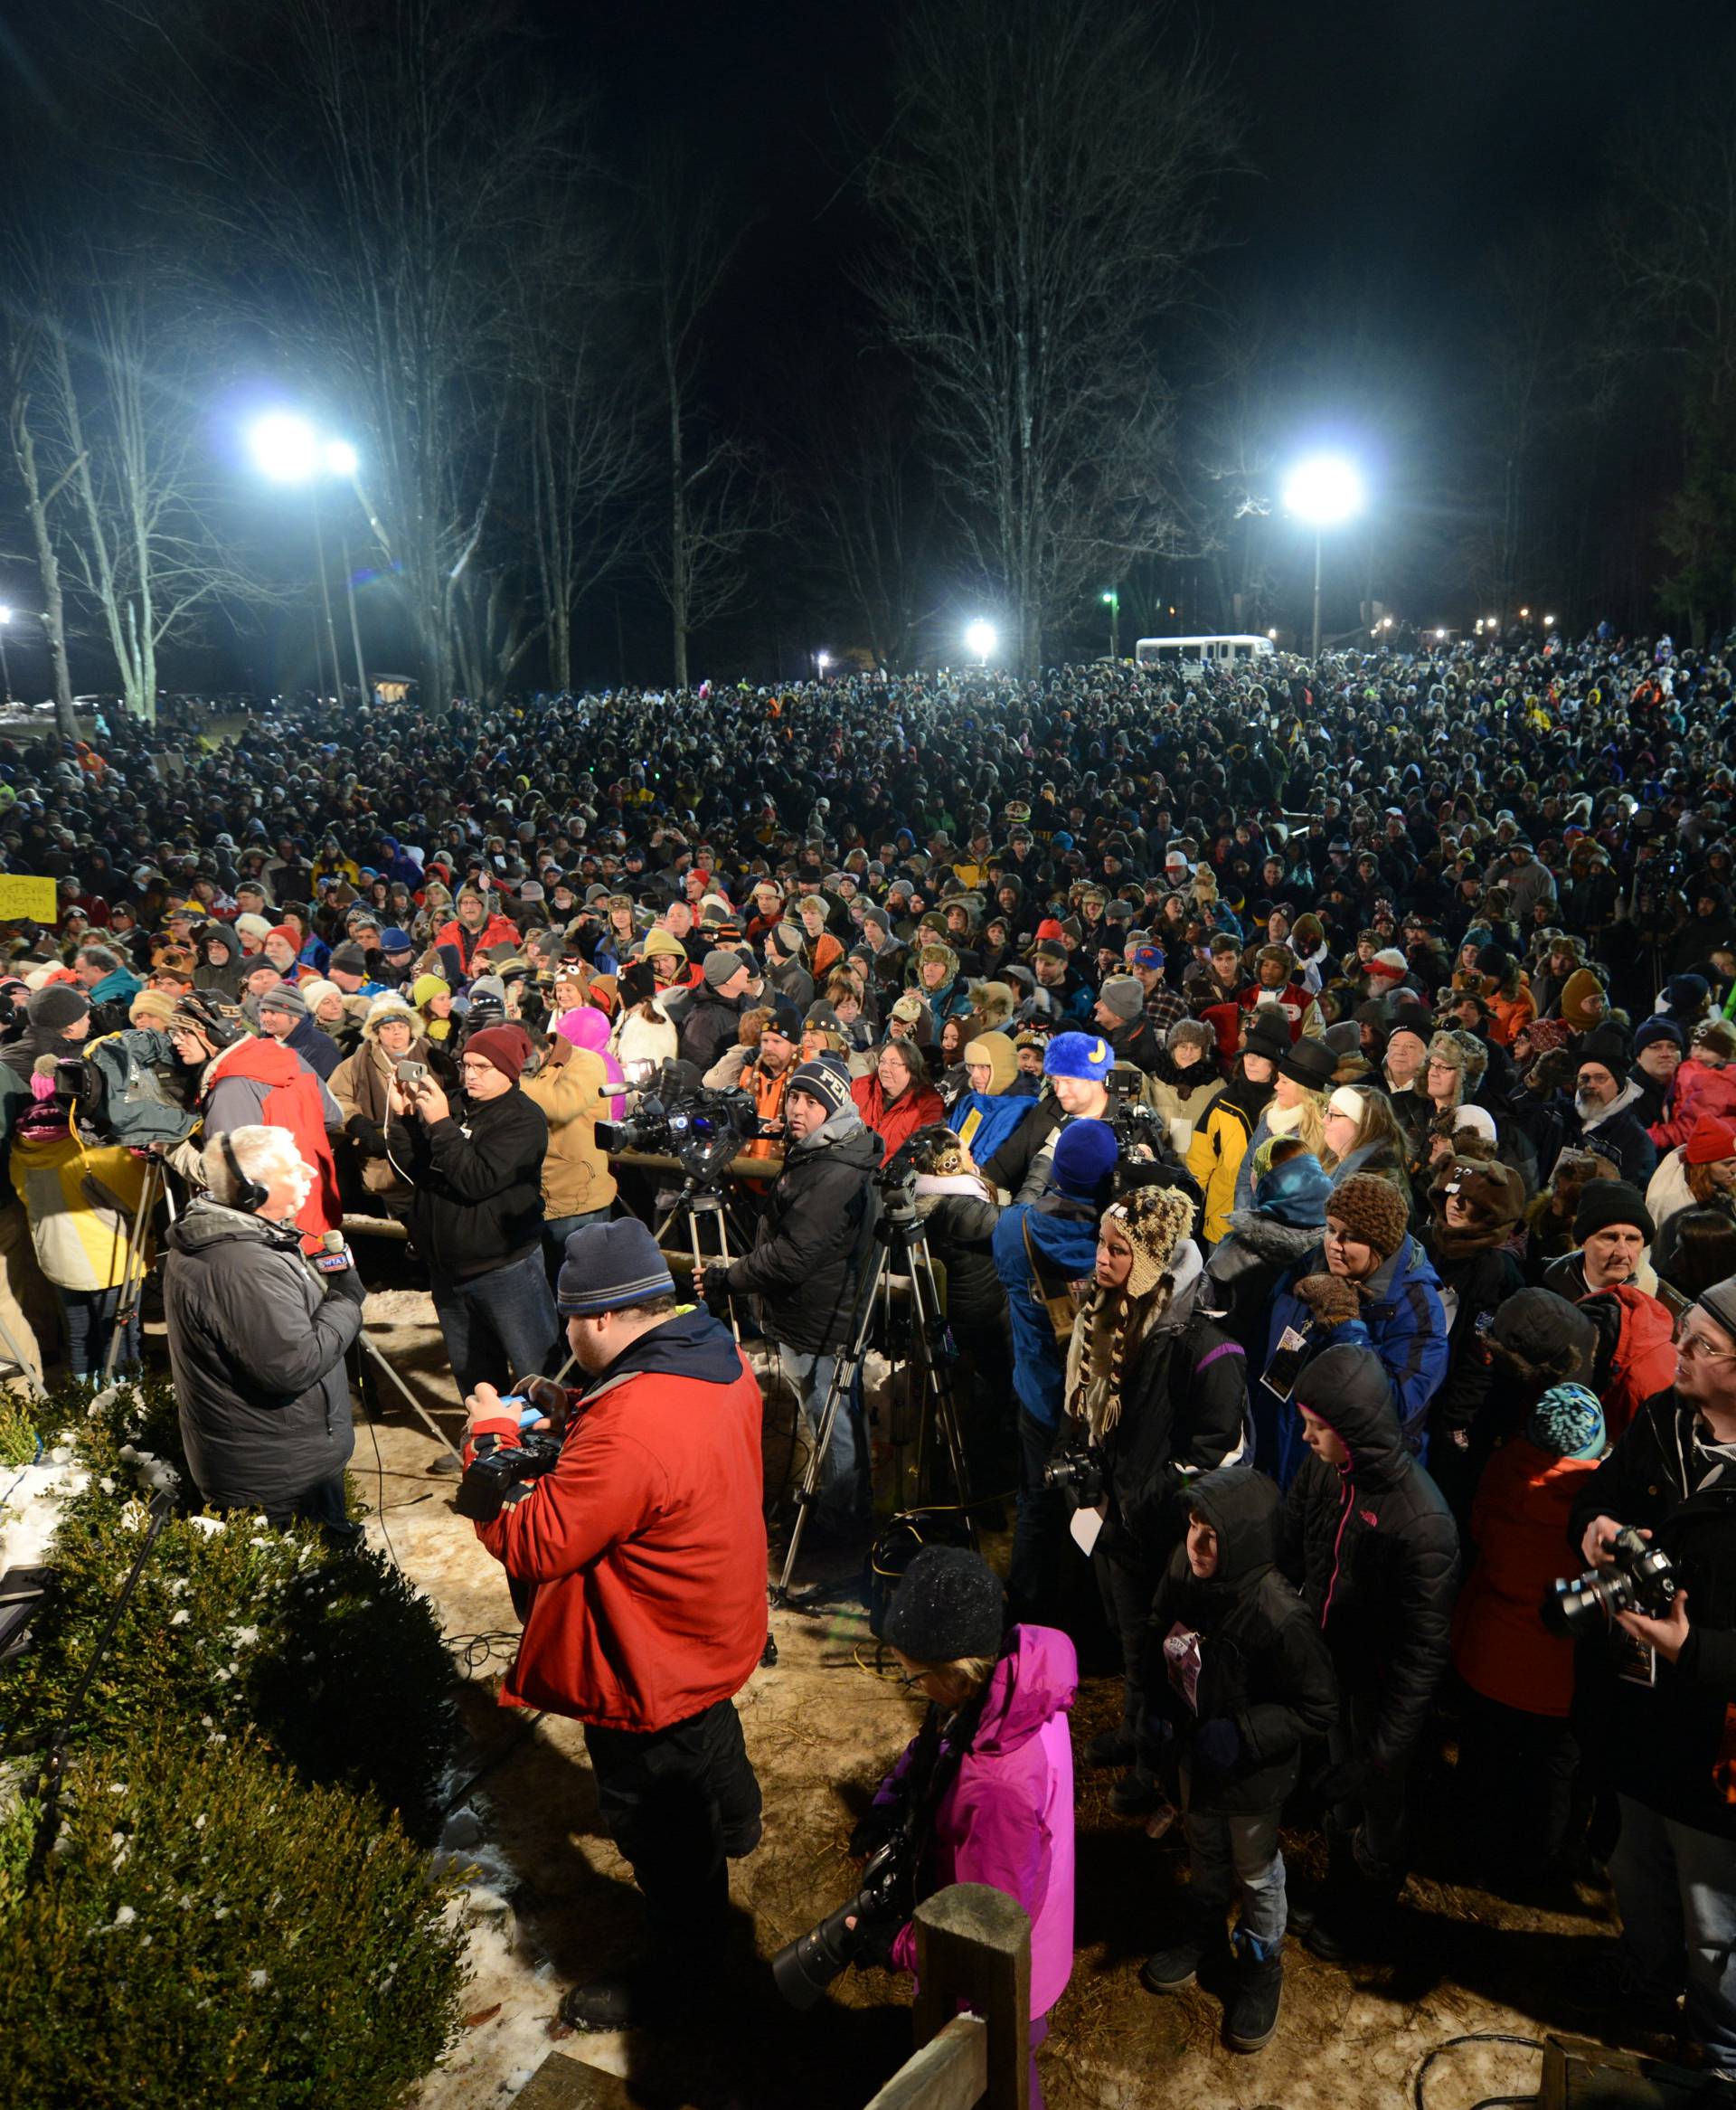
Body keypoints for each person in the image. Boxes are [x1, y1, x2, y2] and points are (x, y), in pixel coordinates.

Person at [462, 1217, 768, 2032]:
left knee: (657, 1815)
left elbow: (534, 1543)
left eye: (569, 1319)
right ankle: (739, 1819)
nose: (565, 1333)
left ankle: (688, 1967)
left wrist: (485, 1448)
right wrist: (576, 1411)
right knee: (711, 1724)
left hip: (647, 1651)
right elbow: (653, 1460)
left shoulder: (633, 1422)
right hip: (711, 1613)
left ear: (598, 1318)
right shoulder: (716, 1352)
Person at [1568, 1273, 1736, 2071]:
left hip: (1719, 1743)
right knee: (1638, 1861)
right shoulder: (1667, 1417)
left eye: (1703, 1346)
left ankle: (1720, 2045)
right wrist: (1594, 1524)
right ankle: (1647, 1971)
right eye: (1687, 1333)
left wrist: (1692, 1649)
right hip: (1639, 1711)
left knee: (1717, 1909)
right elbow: (1602, 1489)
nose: (1680, 1354)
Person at [852, 1546, 1075, 2110]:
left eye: (913, 1676)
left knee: (996, 2067)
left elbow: (983, 1938)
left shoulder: (998, 1785)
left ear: (955, 1672)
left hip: (1005, 1968)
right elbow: (938, 1740)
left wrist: (898, 1946)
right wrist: (890, 1798)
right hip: (1034, 1924)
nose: (912, 1686)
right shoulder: (1014, 1683)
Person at [1062, 1184, 1249, 1816]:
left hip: (1162, 1526)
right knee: (1130, 1640)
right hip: (1118, 1515)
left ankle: (1158, 1764)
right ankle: (1137, 1728)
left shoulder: (1202, 1340)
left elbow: (1216, 1446)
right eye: (1101, 1245)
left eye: (1119, 1250)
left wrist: (1151, 1497)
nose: (1102, 1259)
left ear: (1152, 1260)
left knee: (1164, 1647)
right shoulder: (1115, 1314)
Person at [1140, 1469, 1337, 2052]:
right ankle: (1203, 1935)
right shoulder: (1184, 1566)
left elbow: (1318, 1706)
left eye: (1213, 1535)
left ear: (1247, 1539)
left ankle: (1259, 1966)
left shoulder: (1280, 1615)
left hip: (1251, 1778)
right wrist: (1153, 1707)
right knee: (1203, 1850)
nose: (1196, 1545)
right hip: (1193, 1760)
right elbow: (1158, 1627)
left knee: (1256, 1871)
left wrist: (1246, 1735)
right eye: (1193, 1527)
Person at [1278, 1345, 1459, 1962]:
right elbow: (1293, 1543)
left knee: (1379, 1806)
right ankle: (1340, 1889)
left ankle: (1370, 1910)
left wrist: (1384, 1751)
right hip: (1333, 1675)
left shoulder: (1423, 1520)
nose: (1304, 1437)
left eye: (1317, 1426)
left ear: (1354, 1427)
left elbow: (1424, 1652)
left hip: (1382, 1698)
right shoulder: (1326, 1473)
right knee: (1340, 1795)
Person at [700, 1055, 880, 1541]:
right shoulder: (823, 1152)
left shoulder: (835, 1170)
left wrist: (729, 1277)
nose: (798, 1109)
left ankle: (841, 1527)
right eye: (794, 1098)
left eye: (811, 1101)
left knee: (832, 1426)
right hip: (811, 1313)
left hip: (821, 1322)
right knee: (825, 1420)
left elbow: (792, 1255)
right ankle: (838, 1509)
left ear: (835, 1107)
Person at [163, 1123, 365, 1534]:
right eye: (291, 1170)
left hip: (282, 1462)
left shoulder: (242, 1240)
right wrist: (345, 1300)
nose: (309, 1173)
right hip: (279, 1481)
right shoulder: (241, 1265)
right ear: (253, 1191)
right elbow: (292, 1365)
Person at [1449, 1381, 1604, 1892]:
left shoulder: (1500, 1471)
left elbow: (1477, 1534)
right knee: (1550, 1776)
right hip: (1558, 1678)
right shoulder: (1600, 1506)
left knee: (1482, 1763)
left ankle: (1470, 1851)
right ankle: (1531, 1867)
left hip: (1488, 1654)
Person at [390, 1023, 559, 1398]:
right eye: (467, 1065)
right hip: (448, 1269)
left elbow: (477, 1181)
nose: (471, 1075)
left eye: (483, 1067)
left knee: (537, 1372)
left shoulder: (523, 1118)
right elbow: (416, 1169)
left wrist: (440, 1124)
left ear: (509, 1071)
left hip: (505, 1268)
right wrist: (404, 1119)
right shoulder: (453, 1104)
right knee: (475, 1378)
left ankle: (555, 1449)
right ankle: (486, 1446)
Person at [994, 1118, 1118, 1620]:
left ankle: (1027, 1614)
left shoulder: (1013, 1230)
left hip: (1038, 1396)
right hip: (1099, 1407)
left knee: (1035, 1504)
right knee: (1097, 1508)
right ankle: (1092, 1622)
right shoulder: (1115, 1247)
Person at [1261, 1171, 1449, 1479]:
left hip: (1347, 1475)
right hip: (1283, 1448)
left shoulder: (1418, 1308)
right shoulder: (1310, 1266)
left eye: (1351, 1236)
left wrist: (1347, 1324)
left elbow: (1393, 1406)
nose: (1334, 1244)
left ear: (1380, 1242)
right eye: (1331, 1229)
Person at [851, 1036, 947, 1163]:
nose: (885, 1068)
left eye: (894, 1063)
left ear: (911, 1068)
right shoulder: (861, 1087)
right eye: (882, 1061)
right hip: (851, 1165)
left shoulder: (929, 1103)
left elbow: (920, 1152)